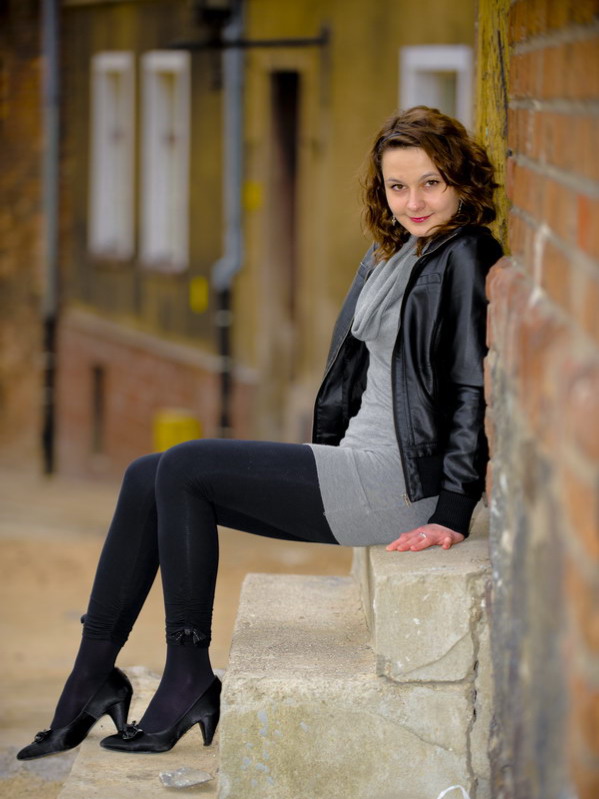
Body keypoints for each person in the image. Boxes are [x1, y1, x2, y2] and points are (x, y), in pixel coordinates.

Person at [17, 106, 502, 761]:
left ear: (461, 182)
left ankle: (188, 676)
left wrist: (452, 509)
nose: (413, 202)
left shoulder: (466, 253)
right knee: (145, 474)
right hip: (358, 460)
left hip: (397, 483)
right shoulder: (394, 251)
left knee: (185, 465)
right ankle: (90, 677)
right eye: (397, 186)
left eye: (430, 183)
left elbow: (471, 385)